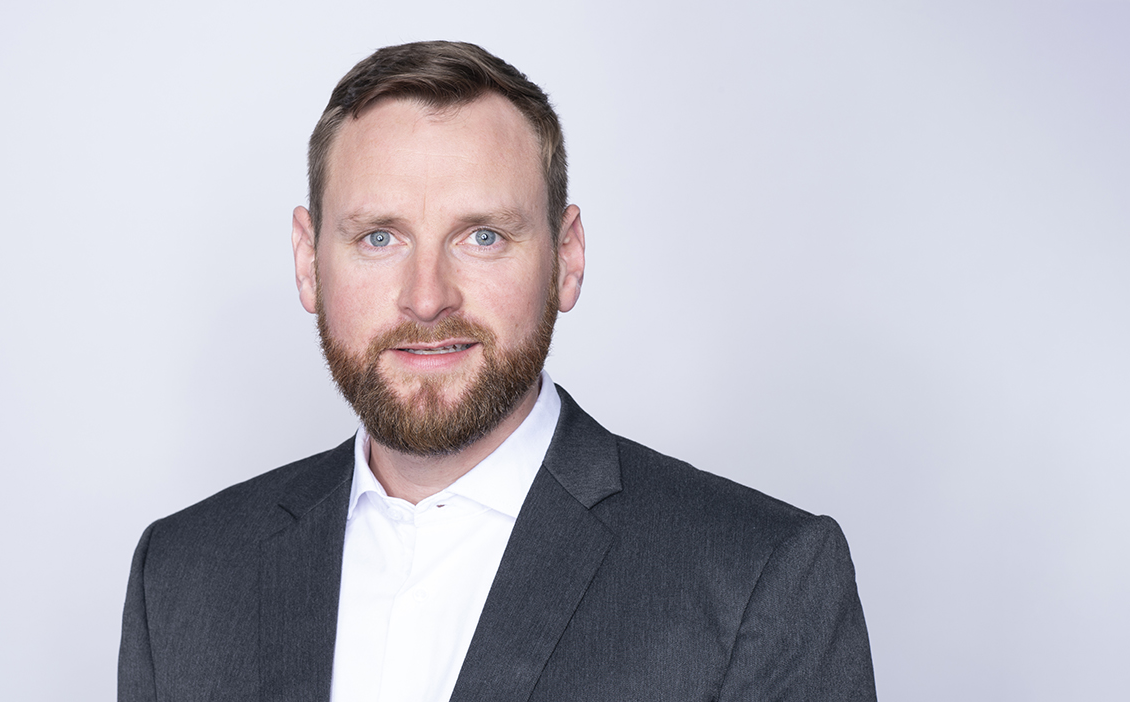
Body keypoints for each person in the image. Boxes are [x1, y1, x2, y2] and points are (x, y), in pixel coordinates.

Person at [117, 41, 875, 702]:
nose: (426, 298)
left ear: (566, 258)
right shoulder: (182, 575)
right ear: (308, 262)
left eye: (482, 236)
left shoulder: (758, 577)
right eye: (379, 237)